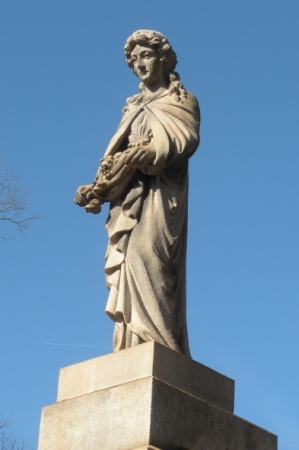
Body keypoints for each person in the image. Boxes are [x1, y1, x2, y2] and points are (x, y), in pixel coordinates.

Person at [75, 30, 200, 357]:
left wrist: (151, 153)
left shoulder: (180, 100)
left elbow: (184, 139)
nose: (139, 64)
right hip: (128, 201)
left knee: (152, 262)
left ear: (163, 58)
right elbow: (114, 157)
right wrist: (96, 188)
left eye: (145, 56)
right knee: (129, 262)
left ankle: (161, 346)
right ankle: (132, 345)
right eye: (133, 60)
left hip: (160, 198)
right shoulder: (132, 107)